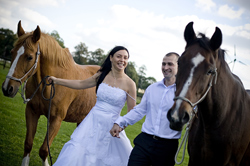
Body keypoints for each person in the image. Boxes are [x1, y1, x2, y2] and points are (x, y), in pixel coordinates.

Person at [48, 46, 137, 166]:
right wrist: (57, 80)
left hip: (112, 127)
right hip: (91, 122)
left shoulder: (130, 84)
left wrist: (120, 126)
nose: (122, 60)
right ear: (111, 58)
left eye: (125, 58)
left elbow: (132, 112)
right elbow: (80, 83)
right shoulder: (101, 75)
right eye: (119, 56)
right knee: (77, 152)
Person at [110, 52, 181, 166]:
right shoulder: (152, 88)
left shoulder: (185, 93)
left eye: (170, 64)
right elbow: (139, 110)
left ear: (179, 66)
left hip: (167, 147)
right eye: (163, 64)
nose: (165, 67)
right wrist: (120, 122)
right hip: (144, 142)